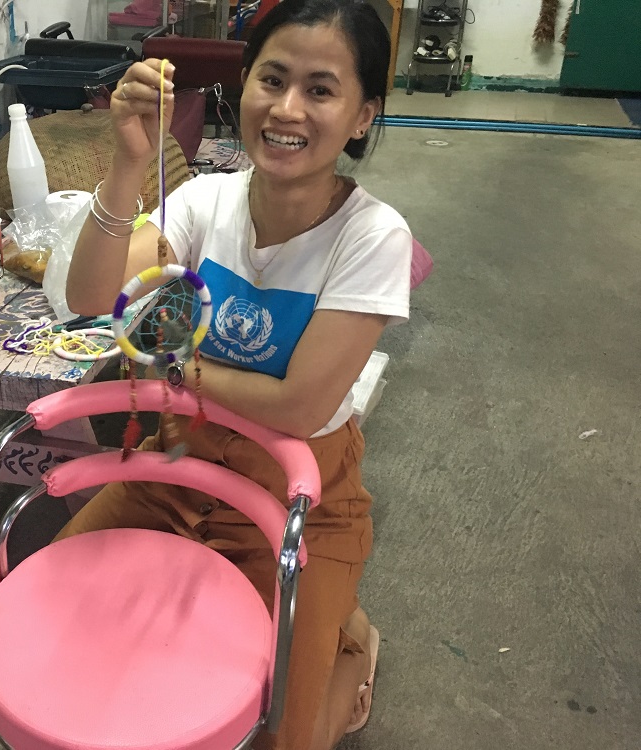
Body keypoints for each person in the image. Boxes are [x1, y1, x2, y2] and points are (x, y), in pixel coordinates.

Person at [60, 1, 411, 748]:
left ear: (361, 116)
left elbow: (298, 405)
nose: (288, 109)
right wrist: (127, 161)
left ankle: (355, 643)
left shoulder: (373, 236)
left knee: (286, 730)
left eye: (321, 90)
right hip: (171, 474)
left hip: (300, 507)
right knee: (60, 614)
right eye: (272, 79)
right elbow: (92, 300)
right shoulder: (203, 202)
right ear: (241, 84)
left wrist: (175, 367)